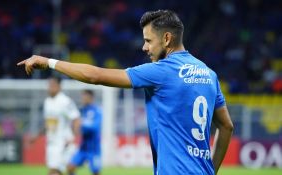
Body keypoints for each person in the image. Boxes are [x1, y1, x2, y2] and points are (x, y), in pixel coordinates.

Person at [18, 10, 234, 175]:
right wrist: (211, 170)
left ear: (167, 39)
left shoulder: (162, 71)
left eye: (149, 40)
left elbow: (95, 76)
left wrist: (49, 62)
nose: (144, 47)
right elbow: (226, 126)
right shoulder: (209, 74)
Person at [29, 76, 81, 175]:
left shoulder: (65, 101)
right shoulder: (47, 102)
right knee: (62, 171)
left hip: (63, 142)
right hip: (51, 141)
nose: (50, 87)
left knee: (55, 171)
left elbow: (76, 119)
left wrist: (73, 137)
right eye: (49, 85)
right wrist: (36, 136)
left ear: (59, 86)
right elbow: (48, 123)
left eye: (53, 85)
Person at [68, 90, 102, 175]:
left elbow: (95, 127)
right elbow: (76, 127)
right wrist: (74, 127)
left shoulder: (97, 110)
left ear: (91, 98)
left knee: (96, 172)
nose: (82, 99)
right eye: (82, 97)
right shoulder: (82, 111)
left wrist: (82, 122)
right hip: (83, 147)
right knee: (70, 167)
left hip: (94, 148)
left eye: (84, 97)